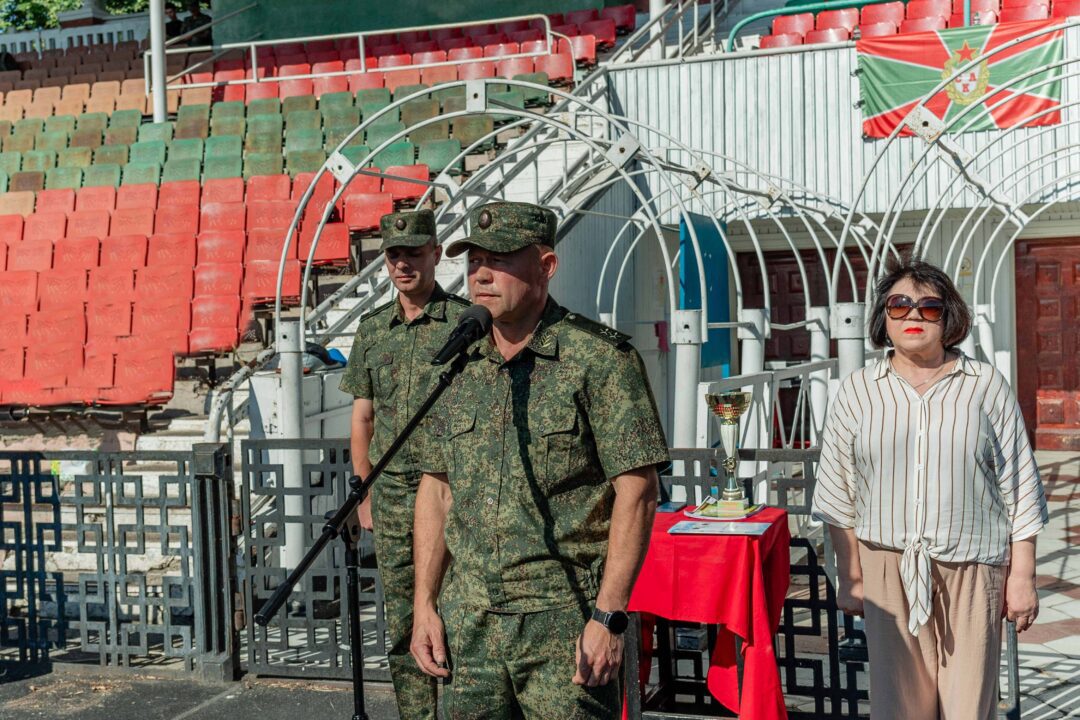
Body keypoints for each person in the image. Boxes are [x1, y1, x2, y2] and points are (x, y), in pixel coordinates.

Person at [408, 201, 670, 719]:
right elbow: (436, 490)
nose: (481, 274)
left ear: (546, 266)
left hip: (563, 623)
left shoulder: (600, 359)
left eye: (500, 259)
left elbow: (638, 492)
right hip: (470, 624)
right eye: (474, 260)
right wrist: (424, 605)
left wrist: (609, 617)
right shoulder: (458, 362)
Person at [811, 258, 1049, 720]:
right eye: (899, 305)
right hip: (886, 569)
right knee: (898, 706)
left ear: (948, 317)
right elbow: (838, 492)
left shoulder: (985, 386)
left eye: (929, 307)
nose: (914, 316)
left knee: (968, 707)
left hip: (972, 568)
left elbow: (1020, 484)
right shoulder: (858, 391)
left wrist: (1023, 577)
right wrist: (851, 576)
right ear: (884, 317)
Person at [339, 209, 469, 720]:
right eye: (394, 255)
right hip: (393, 494)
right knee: (400, 620)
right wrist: (365, 490)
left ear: (435, 254)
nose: (403, 264)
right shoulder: (373, 330)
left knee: (455, 612)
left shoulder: (466, 324)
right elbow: (363, 418)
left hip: (452, 490)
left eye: (414, 253)